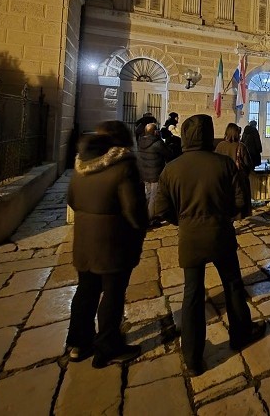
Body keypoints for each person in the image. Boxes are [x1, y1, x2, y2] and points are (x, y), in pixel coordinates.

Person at [154, 114, 266, 376]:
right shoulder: (224, 165)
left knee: (192, 295)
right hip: (220, 233)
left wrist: (183, 221)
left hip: (190, 237)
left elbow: (160, 208)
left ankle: (192, 357)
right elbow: (239, 201)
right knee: (232, 285)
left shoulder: (172, 168)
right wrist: (220, 214)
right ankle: (240, 332)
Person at [66, 120, 148, 368]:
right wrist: (141, 227)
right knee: (112, 295)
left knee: (86, 291)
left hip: (84, 242)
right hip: (114, 243)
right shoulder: (124, 166)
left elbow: (71, 200)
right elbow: (134, 211)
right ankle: (108, 347)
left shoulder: (81, 165)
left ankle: (78, 344)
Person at [137, 123, 173, 226]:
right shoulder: (157, 143)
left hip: (145, 173)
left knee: (148, 195)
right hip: (155, 174)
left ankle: (146, 215)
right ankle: (150, 219)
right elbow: (168, 154)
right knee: (154, 196)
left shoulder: (141, 141)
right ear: (155, 131)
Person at [215, 123, 253, 219]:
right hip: (238, 179)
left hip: (223, 178)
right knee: (237, 200)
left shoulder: (220, 146)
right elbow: (248, 164)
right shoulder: (241, 146)